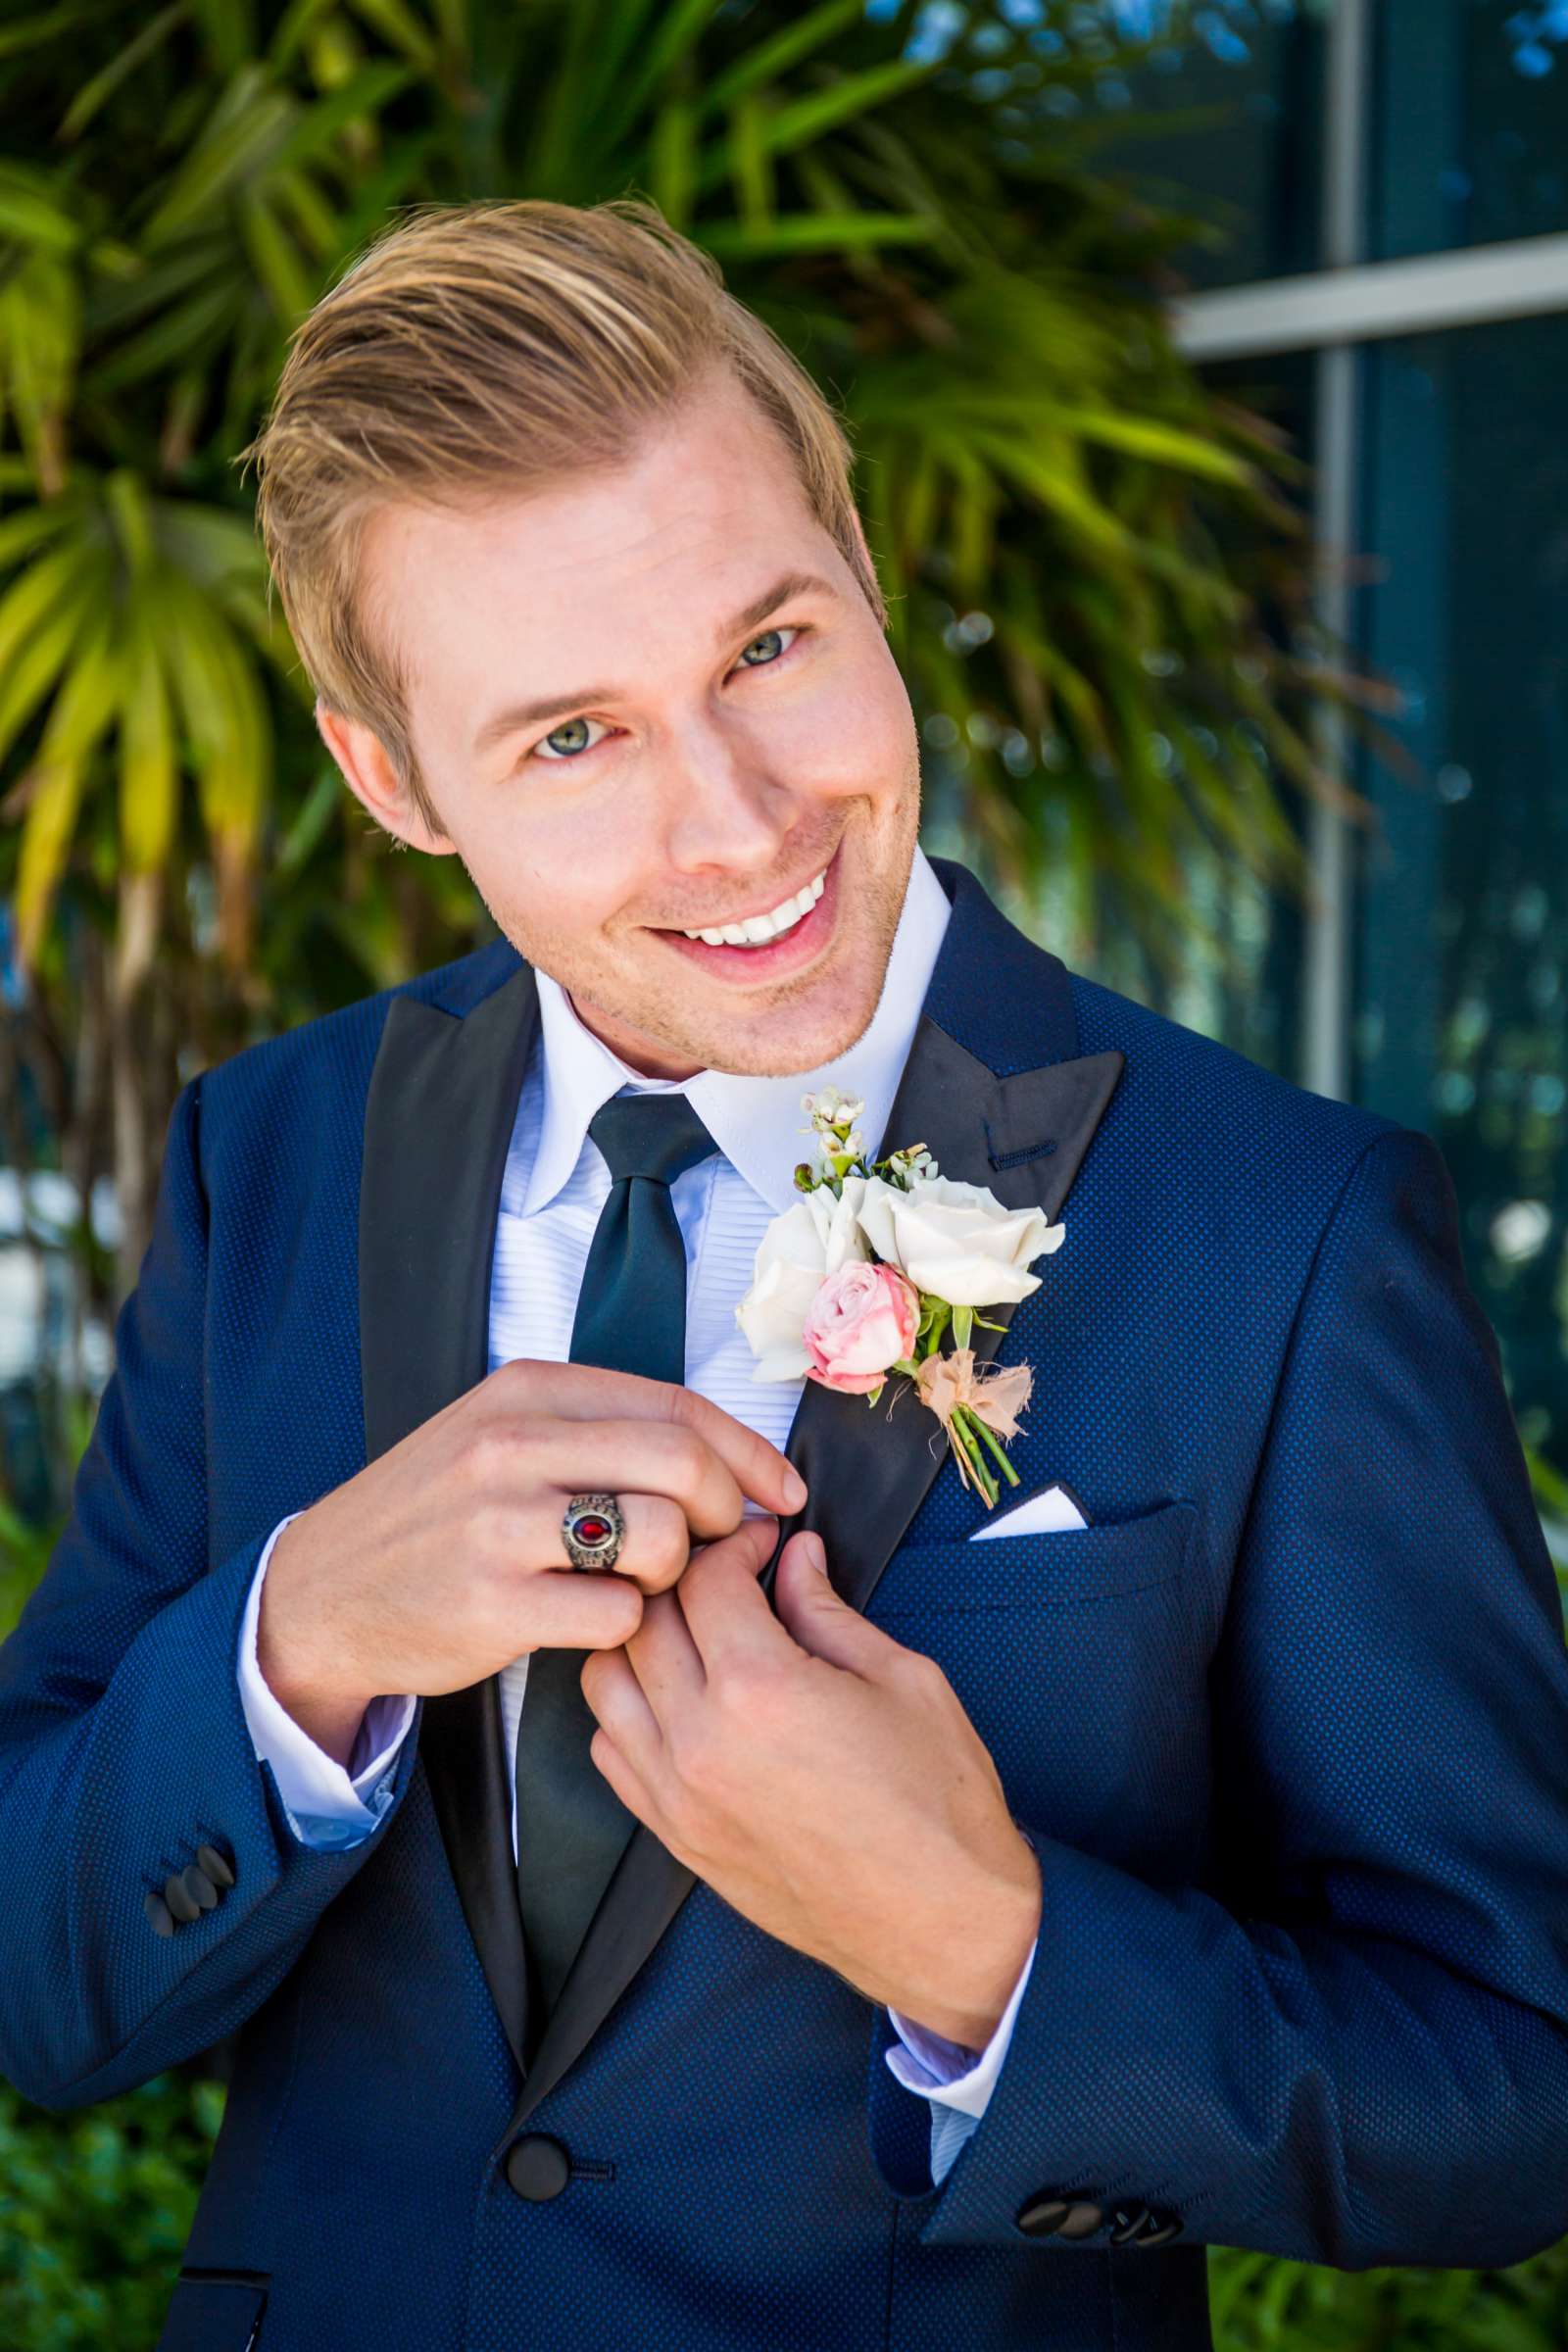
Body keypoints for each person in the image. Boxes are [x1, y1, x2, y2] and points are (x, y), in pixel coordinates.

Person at [1, 196, 1565, 2352]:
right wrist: (302, 1640)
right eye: (571, 738)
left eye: (766, 648)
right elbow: (37, 1981)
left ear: (857, 562)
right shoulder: (263, 1150)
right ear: (393, 782)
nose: (739, 826)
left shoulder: (1280, 1228)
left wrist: (983, 1950)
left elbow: (1505, 2088)